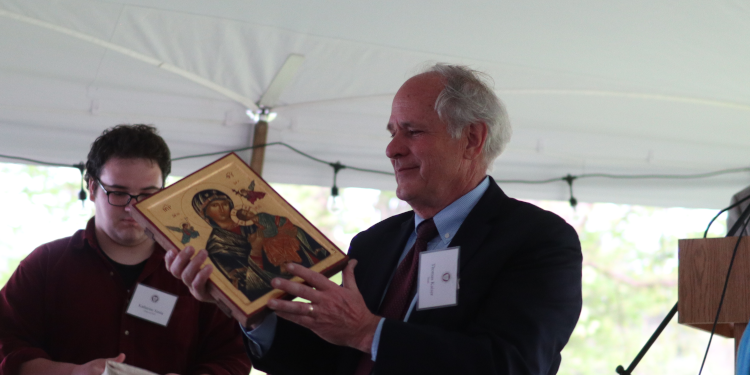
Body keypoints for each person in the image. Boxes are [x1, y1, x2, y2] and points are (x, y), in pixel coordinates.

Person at [167, 64, 583, 375]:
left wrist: (369, 332)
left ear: (472, 139)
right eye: (391, 132)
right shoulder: (374, 244)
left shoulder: (537, 240)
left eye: (412, 132)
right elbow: (327, 361)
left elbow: (513, 365)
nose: (392, 149)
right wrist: (250, 310)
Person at [0, 125, 252, 375]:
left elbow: (233, 357)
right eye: (118, 193)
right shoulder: (46, 265)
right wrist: (73, 373)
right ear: (92, 188)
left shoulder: (198, 269)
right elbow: (7, 346)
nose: (133, 208)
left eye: (147, 194)